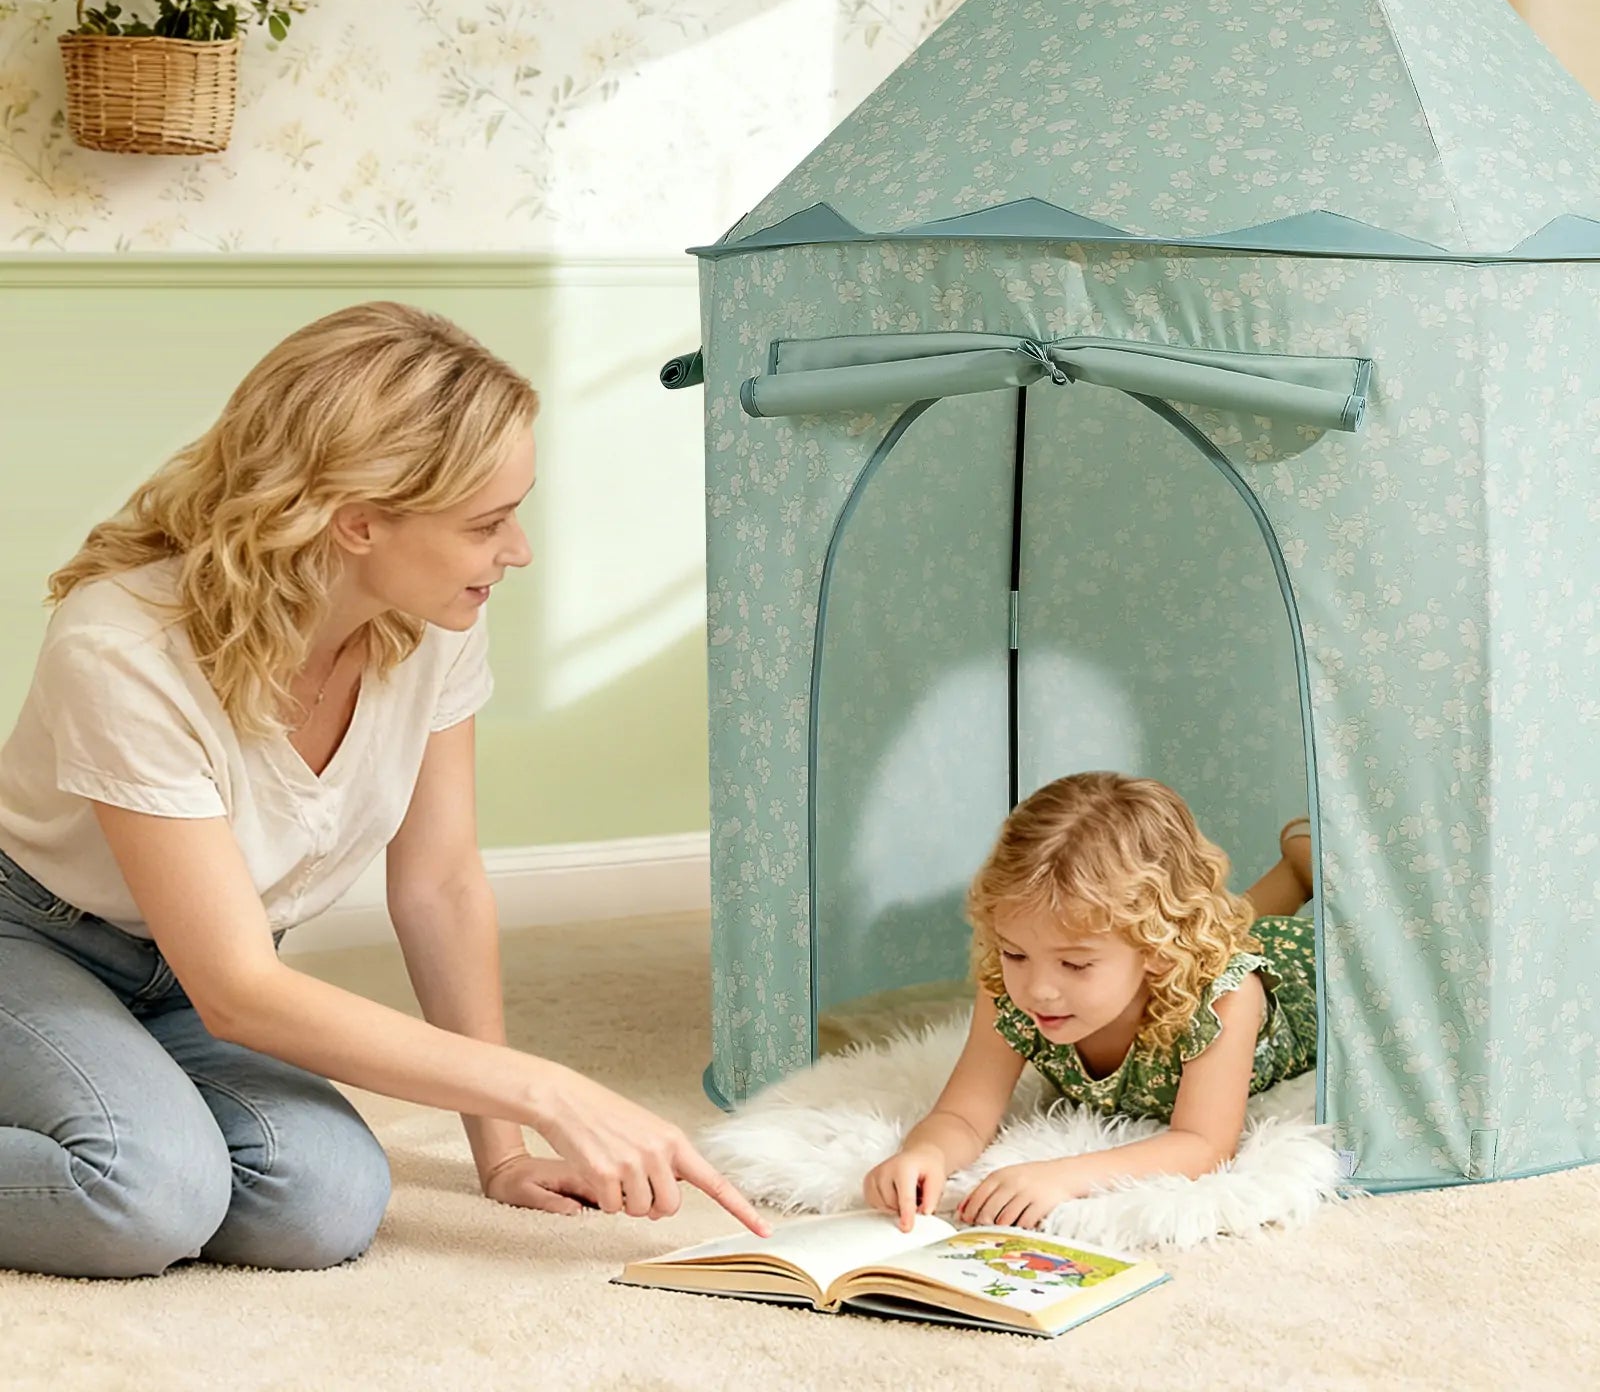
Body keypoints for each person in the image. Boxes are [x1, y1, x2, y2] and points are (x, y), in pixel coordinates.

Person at [0, 301, 767, 1280]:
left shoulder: (435, 616)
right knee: (147, 1194)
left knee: (320, 1203)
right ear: (356, 521)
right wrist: (550, 1089)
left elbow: (439, 882)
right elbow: (239, 992)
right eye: (486, 522)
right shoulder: (124, 648)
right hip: (33, 936)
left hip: (201, 969)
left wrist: (502, 1149)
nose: (518, 550)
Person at [864, 772, 1317, 1231]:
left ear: (1157, 951)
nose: (1038, 988)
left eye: (1075, 965)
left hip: (1305, 967)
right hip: (1184, 946)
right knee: (1227, 929)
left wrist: (1062, 1177)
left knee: (1240, 940)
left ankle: (1304, 869)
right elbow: (962, 1114)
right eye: (1015, 952)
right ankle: (1294, 874)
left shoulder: (1225, 999)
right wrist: (926, 1154)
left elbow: (1202, 1144)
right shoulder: (1010, 986)